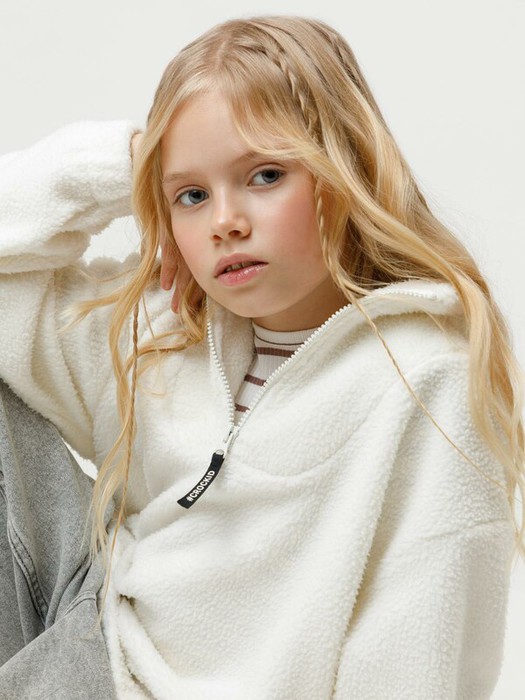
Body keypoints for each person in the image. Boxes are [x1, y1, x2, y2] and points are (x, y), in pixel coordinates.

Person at [0, 14, 523, 700]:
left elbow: (419, 652)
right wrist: (125, 163)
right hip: (96, 660)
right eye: (192, 195)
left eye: (265, 175)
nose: (225, 221)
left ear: (344, 170)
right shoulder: (162, 330)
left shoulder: (423, 378)